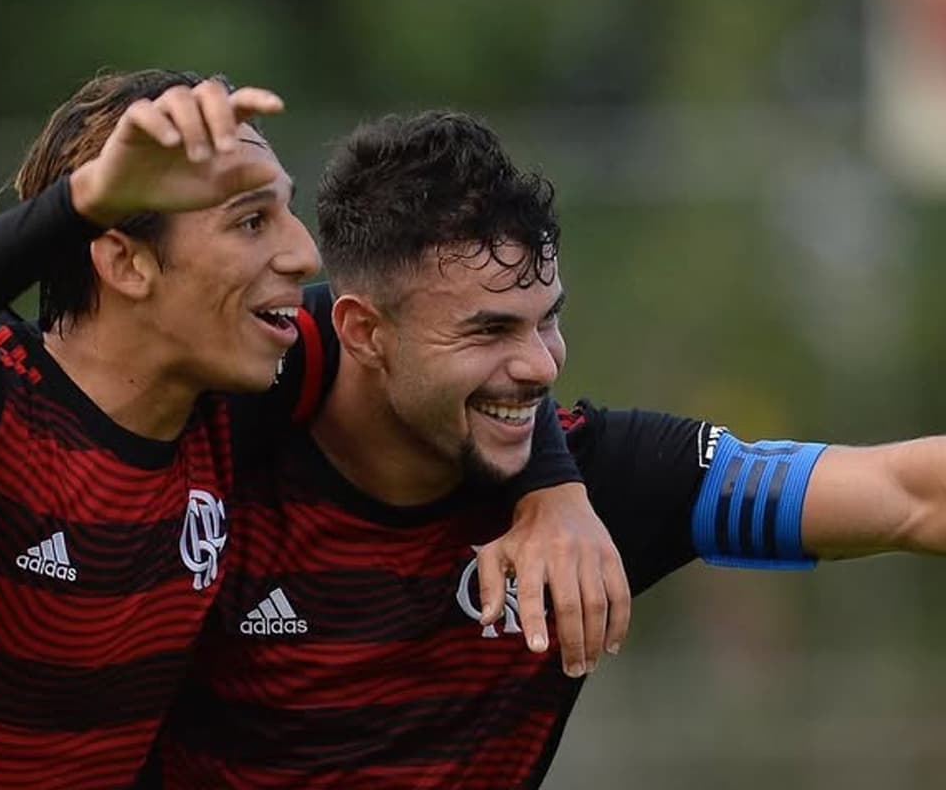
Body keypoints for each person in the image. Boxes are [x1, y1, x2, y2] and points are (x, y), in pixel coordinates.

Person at [0, 77, 622, 789]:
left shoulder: (241, 387)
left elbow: (442, 342)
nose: (302, 252)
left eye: (285, 211)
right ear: (124, 260)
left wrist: (553, 489)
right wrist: (83, 202)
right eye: (250, 221)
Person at [146, 110, 946, 788]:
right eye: (490, 330)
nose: (540, 364)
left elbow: (909, 496)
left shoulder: (602, 486)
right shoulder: (212, 449)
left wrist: (556, 485)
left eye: (547, 319)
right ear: (363, 331)